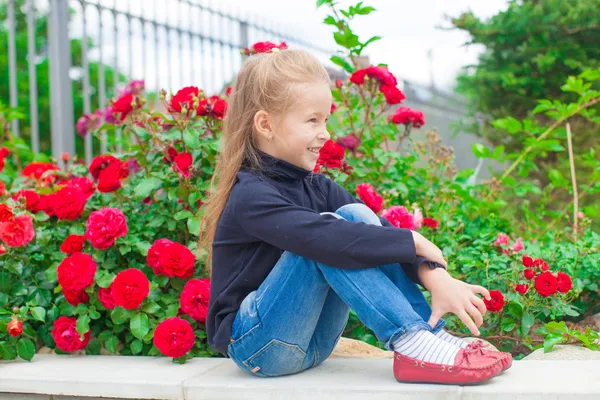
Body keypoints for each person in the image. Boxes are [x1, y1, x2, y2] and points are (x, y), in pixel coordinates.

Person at [201, 48, 511, 385]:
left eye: (326, 120)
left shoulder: (318, 188)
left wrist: (435, 276)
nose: (326, 133)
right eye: (312, 120)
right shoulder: (250, 196)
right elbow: (328, 239)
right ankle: (412, 343)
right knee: (328, 237)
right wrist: (412, 238)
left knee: (355, 215)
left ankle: (428, 334)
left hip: (315, 343)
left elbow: (377, 235)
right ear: (266, 124)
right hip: (258, 347)